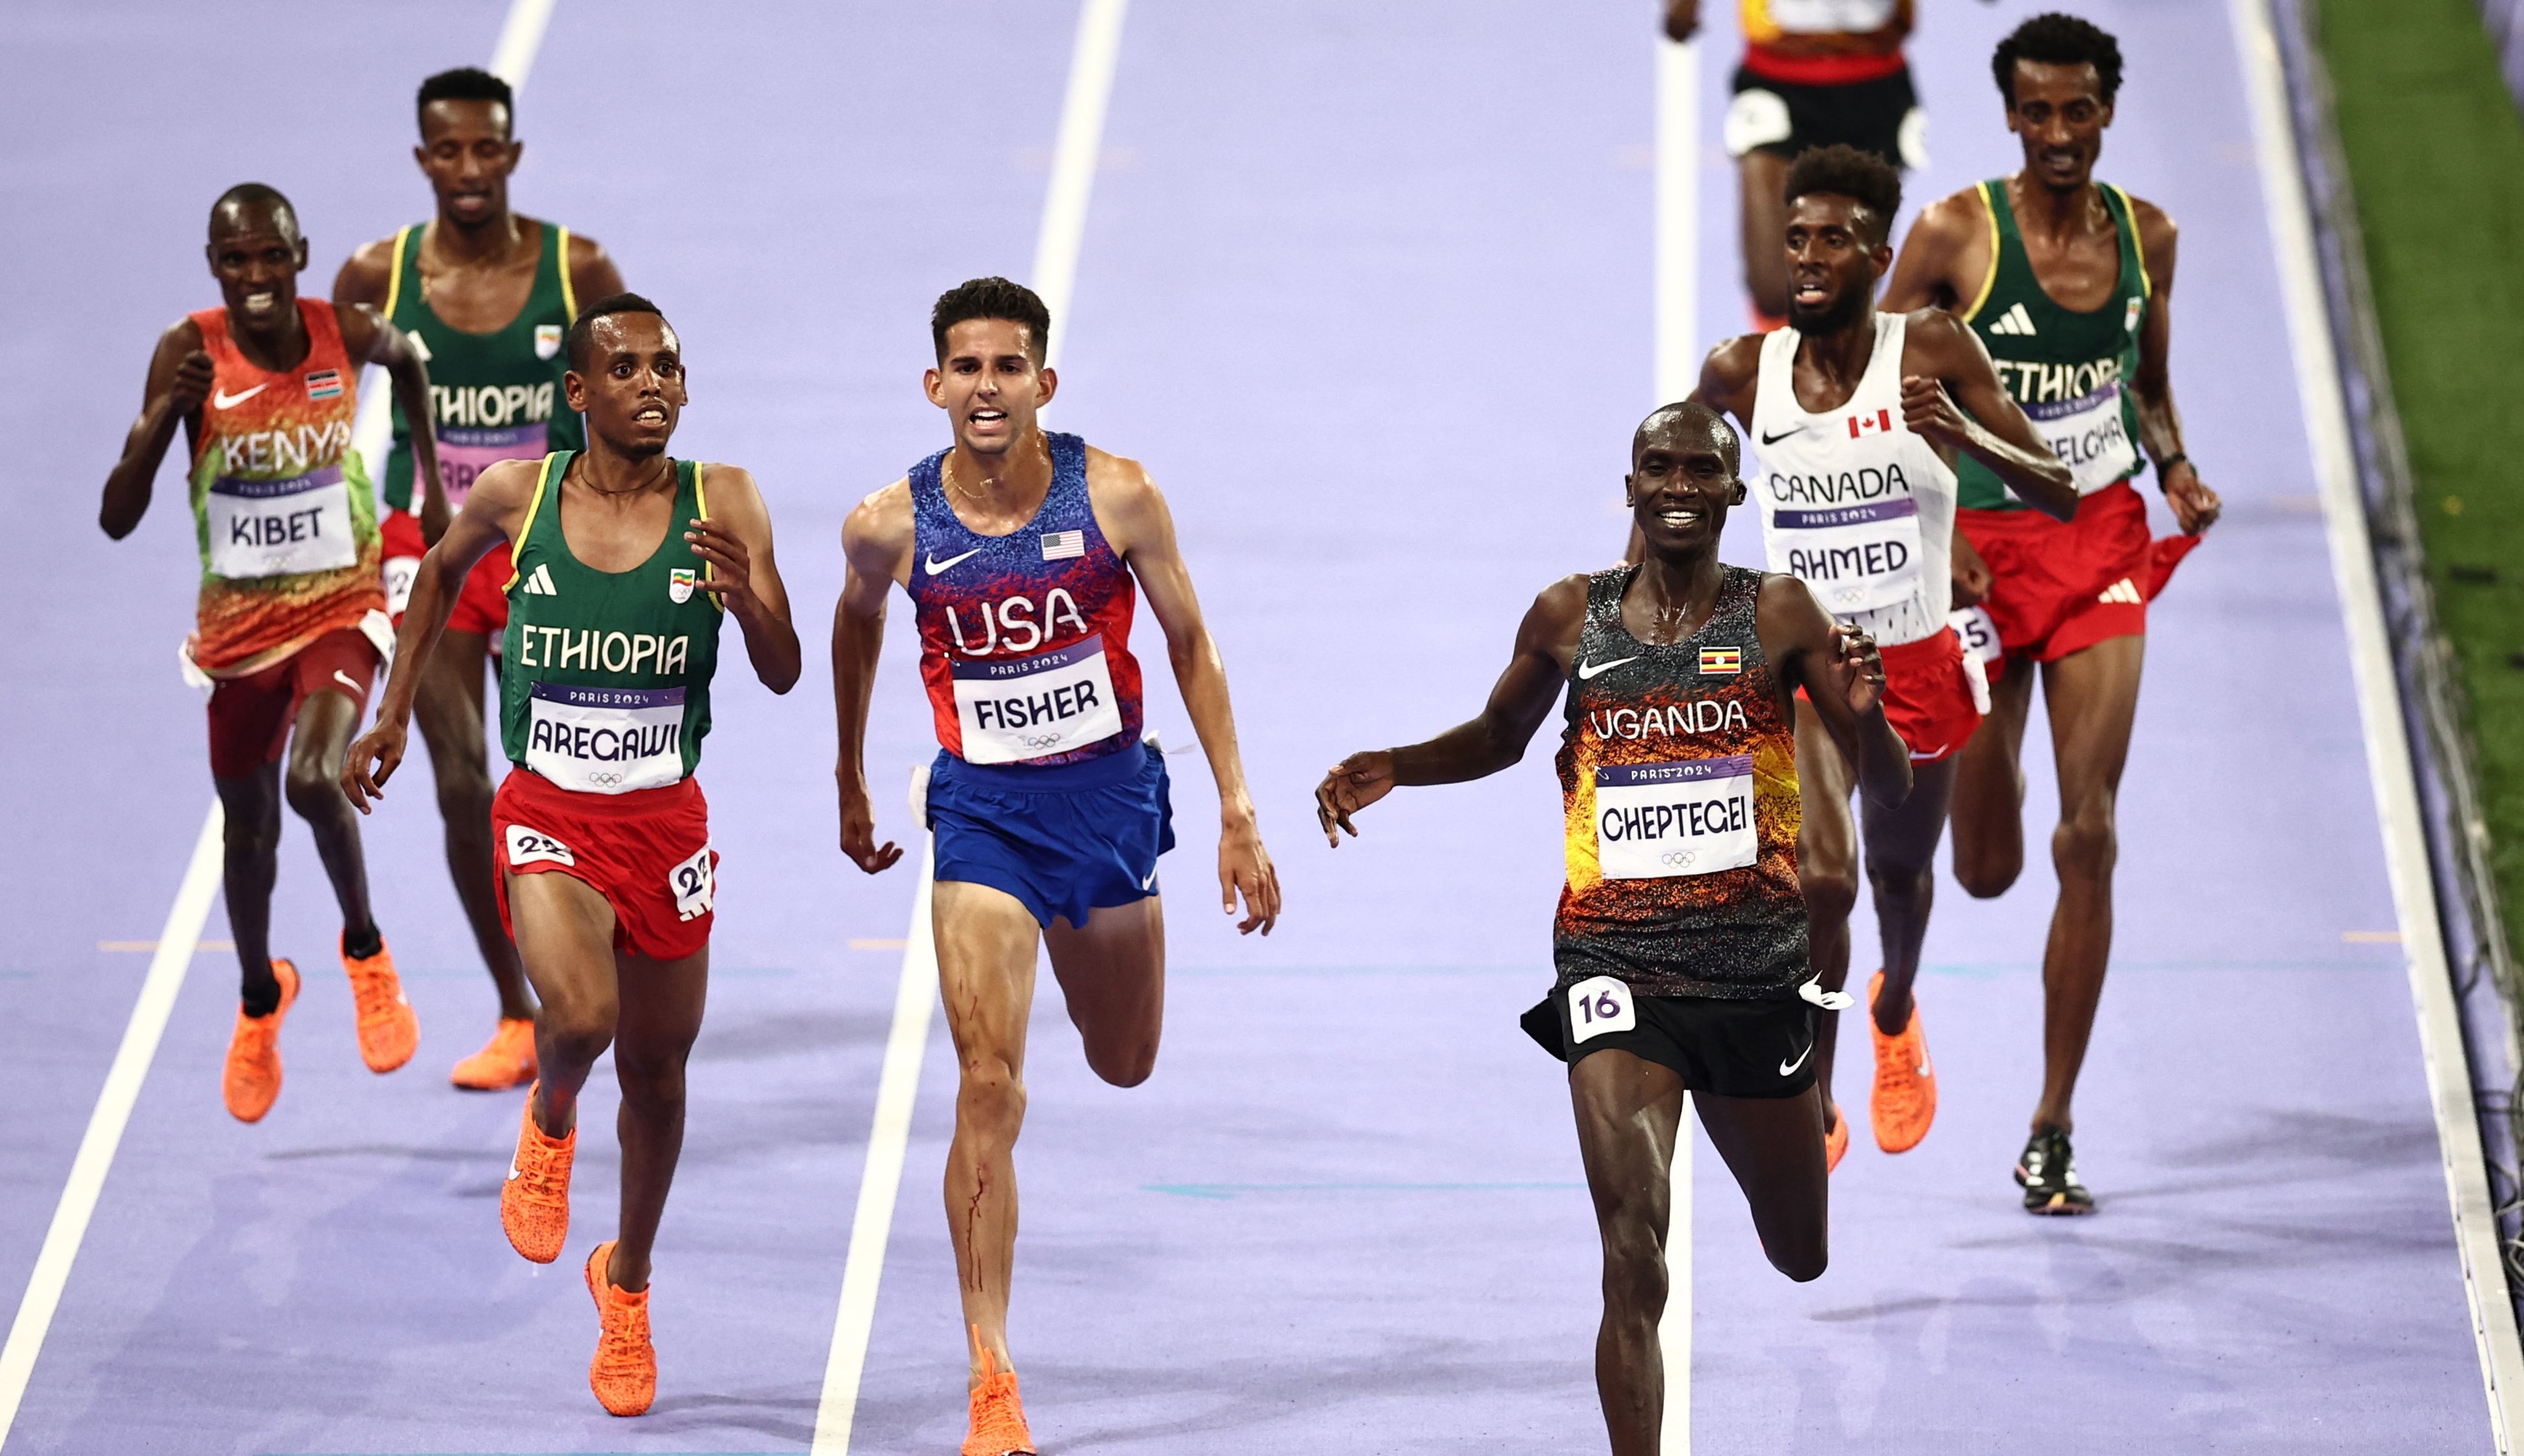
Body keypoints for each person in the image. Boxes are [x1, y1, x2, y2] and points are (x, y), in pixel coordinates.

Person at [1316, 401, 1906, 1456]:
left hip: (1750, 966)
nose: (1677, 483)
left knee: (1798, 1252)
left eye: (1699, 468)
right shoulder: (1565, 614)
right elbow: (1502, 735)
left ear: (1731, 491)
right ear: (1629, 486)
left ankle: (1811, 1084)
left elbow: (1890, 787)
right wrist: (1398, 763)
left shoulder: (1775, 611)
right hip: (1612, 962)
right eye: (1656, 466)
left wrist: (1869, 713)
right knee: (1632, 1255)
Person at [832, 277, 1281, 1456]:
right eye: (965, 367)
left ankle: (995, 1357)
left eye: (1008, 365)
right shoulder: (888, 521)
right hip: (981, 811)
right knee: (990, 1083)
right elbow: (855, 625)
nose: (988, 386)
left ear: (1044, 382)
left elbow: (1190, 640)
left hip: (1108, 802)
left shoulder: (1116, 492)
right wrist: (848, 774)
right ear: (934, 385)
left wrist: (1237, 806)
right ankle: (992, 1371)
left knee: (1125, 1059)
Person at [343, 295, 799, 1415]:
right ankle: (548, 1117)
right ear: (578, 393)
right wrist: (396, 706)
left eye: (670, 368)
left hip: (665, 821)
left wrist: (748, 604)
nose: (654, 383)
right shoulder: (520, 493)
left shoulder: (723, 498)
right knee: (585, 1019)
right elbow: (439, 577)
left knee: (656, 1072)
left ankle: (627, 1284)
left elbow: (784, 668)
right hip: (547, 807)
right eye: (627, 367)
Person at [1880, 12, 2222, 1214]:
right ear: (2010, 117)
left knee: (2090, 834)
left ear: (2106, 112)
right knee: (1982, 867)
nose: (2060, 133)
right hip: (1974, 549)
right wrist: (1936, 525)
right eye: (2038, 112)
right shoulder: (1953, 235)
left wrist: (2173, 467)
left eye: (2079, 110)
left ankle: (2050, 1125)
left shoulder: (2148, 239)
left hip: (2097, 543)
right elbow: (1869, 391)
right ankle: (1991, 759)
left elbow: (2146, 384)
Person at [1689, 144, 2075, 1169]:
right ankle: (1812, 1099)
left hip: (1915, 669)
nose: (1808, 258)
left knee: (1900, 882)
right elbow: (1680, 502)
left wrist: (1967, 436)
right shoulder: (1739, 371)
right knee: (1822, 879)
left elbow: (2060, 490)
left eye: (1832, 241)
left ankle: (1893, 1009)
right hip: (1809, 675)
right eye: (1795, 239)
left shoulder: (1933, 352)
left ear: (1878, 255)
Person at [101, 184, 433, 1124]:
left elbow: (410, 357)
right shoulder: (187, 351)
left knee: (313, 776)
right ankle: (260, 995)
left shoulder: (343, 332)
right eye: (234, 260)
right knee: (246, 835)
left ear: (298, 254)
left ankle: (366, 953)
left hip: (340, 599)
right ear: (215, 267)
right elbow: (116, 517)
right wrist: (167, 418)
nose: (255, 276)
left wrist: (431, 490)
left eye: (270, 256)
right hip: (237, 633)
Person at [334, 65, 627, 1090]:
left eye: (485, 148)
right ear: (424, 160)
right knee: (464, 785)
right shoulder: (374, 274)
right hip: (436, 552)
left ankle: (593, 963)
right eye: (447, 151)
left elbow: (638, 396)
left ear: (511, 153)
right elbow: (316, 406)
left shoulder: (574, 269)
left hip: (554, 544)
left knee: (578, 774)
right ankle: (516, 1010)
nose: (468, 168)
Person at [1662, 0, 1927, 330]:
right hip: (1777, 80)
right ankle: (1777, 373)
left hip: (1875, 87)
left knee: (1848, 291)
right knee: (1773, 286)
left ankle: (1832, 375)